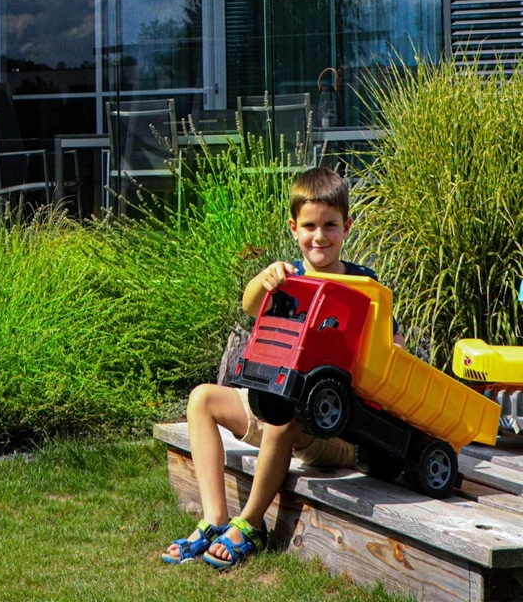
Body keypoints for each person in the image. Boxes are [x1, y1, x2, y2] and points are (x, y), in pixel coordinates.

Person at [161, 167, 405, 570]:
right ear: (294, 228)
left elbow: (393, 347)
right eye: (309, 226)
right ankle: (213, 518)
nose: (320, 236)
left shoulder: (365, 284)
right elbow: (250, 304)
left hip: (335, 429)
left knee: (283, 418)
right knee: (202, 399)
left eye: (330, 225)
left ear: (347, 226)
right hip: (278, 408)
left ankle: (251, 525)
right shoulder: (287, 279)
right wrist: (265, 276)